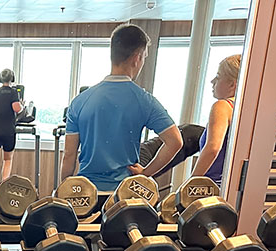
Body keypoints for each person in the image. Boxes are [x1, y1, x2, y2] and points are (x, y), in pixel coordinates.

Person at [60, 23, 183, 199]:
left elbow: (69, 155)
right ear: (136, 58)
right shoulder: (144, 100)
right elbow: (175, 142)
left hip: (87, 195)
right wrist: (145, 174)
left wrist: (67, 191)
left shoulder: (80, 101)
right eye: (144, 58)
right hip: (124, 195)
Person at [190, 54, 241, 186]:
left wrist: (189, 184)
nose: (212, 81)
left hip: (211, 189)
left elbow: (213, 148)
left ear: (232, 84)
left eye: (218, 77)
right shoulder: (246, 110)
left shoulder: (223, 106)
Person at [0, 69, 22, 190]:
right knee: (7, 159)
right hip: (8, 131)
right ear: (12, 79)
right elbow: (16, 108)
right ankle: (3, 187)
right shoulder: (13, 92)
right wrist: (22, 105)